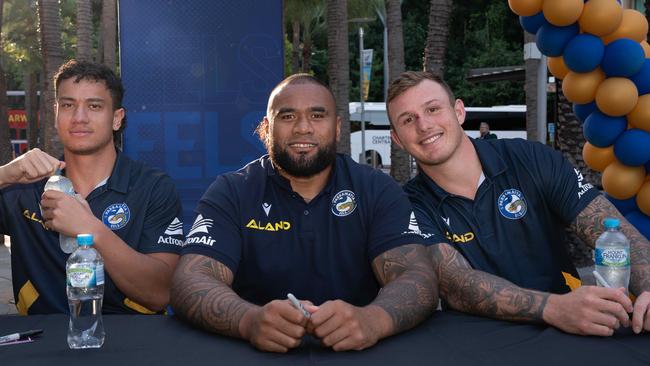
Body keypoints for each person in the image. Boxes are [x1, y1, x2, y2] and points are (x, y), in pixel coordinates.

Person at [170, 74, 437, 353]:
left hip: (358, 353)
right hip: (253, 354)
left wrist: (373, 320)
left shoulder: (377, 189)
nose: (302, 128)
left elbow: (418, 276)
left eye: (317, 115)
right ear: (266, 129)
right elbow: (190, 279)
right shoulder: (232, 191)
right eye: (287, 117)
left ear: (336, 128)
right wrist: (248, 321)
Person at [387, 71, 650, 336]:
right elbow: (456, 283)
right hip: (479, 343)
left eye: (432, 109)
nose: (424, 125)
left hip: (573, 330)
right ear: (397, 139)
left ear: (458, 112)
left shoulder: (531, 159)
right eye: (408, 120)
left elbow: (614, 232)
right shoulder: (406, 204)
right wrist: (554, 308)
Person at [0, 60, 184, 315]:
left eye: (94, 106)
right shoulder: (24, 186)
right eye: (68, 105)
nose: (79, 117)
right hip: (41, 343)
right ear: (56, 114)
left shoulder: (151, 187)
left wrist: (90, 229)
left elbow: (160, 293)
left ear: (117, 118)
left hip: (133, 343)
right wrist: (4, 175)